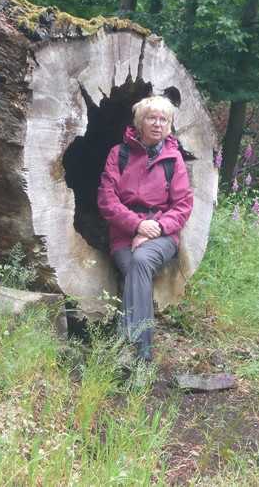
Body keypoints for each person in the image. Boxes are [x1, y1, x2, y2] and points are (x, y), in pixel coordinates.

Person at [97, 96, 193, 362]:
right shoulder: (120, 154)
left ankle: (132, 351)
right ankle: (141, 354)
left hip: (162, 237)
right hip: (124, 234)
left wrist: (155, 228)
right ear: (140, 122)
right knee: (135, 268)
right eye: (152, 118)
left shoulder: (174, 160)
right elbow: (107, 200)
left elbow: (183, 206)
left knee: (141, 260)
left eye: (164, 119)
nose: (157, 124)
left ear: (170, 126)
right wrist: (137, 225)